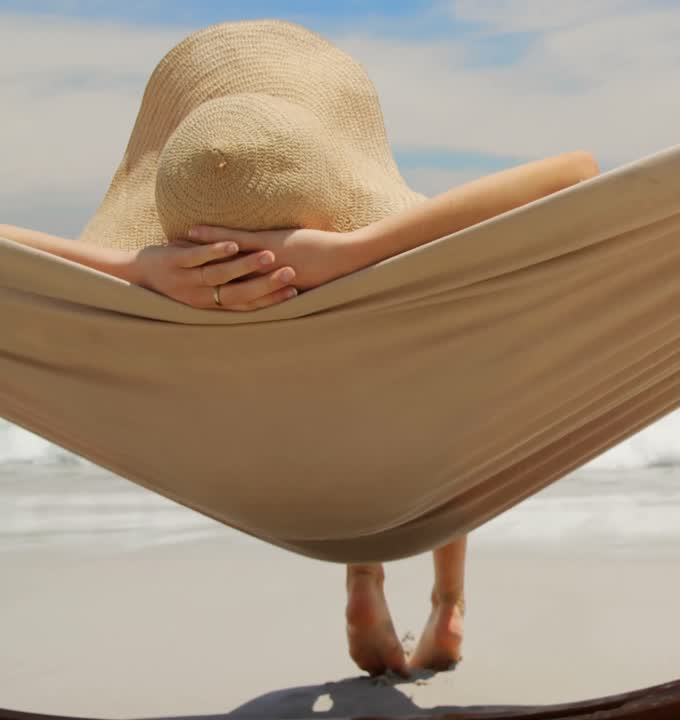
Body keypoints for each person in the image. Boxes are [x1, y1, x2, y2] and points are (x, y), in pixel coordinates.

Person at [0, 148, 600, 676]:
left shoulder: (157, 293)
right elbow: (576, 172)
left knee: (347, 396)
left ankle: (364, 578)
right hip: (413, 414)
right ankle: (449, 603)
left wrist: (134, 269)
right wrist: (353, 252)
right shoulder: (361, 263)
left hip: (281, 454)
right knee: (447, 367)